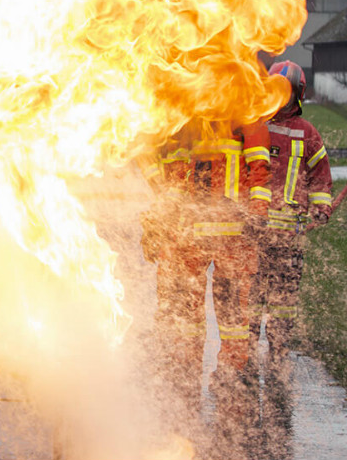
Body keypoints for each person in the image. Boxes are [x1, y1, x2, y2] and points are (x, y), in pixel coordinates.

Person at [141, 120, 271, 450]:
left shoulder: (243, 109)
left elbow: (259, 169)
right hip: (193, 237)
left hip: (231, 237)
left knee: (232, 323)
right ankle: (188, 375)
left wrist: (257, 212)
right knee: (187, 319)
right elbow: (173, 177)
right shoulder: (186, 114)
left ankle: (229, 380)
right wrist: (160, 221)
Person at [256, 60, 333, 456]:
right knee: (254, 305)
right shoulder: (255, 126)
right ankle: (256, 356)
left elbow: (322, 178)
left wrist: (320, 207)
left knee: (281, 308)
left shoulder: (307, 134)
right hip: (258, 236)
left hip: (287, 237)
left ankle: (277, 357)